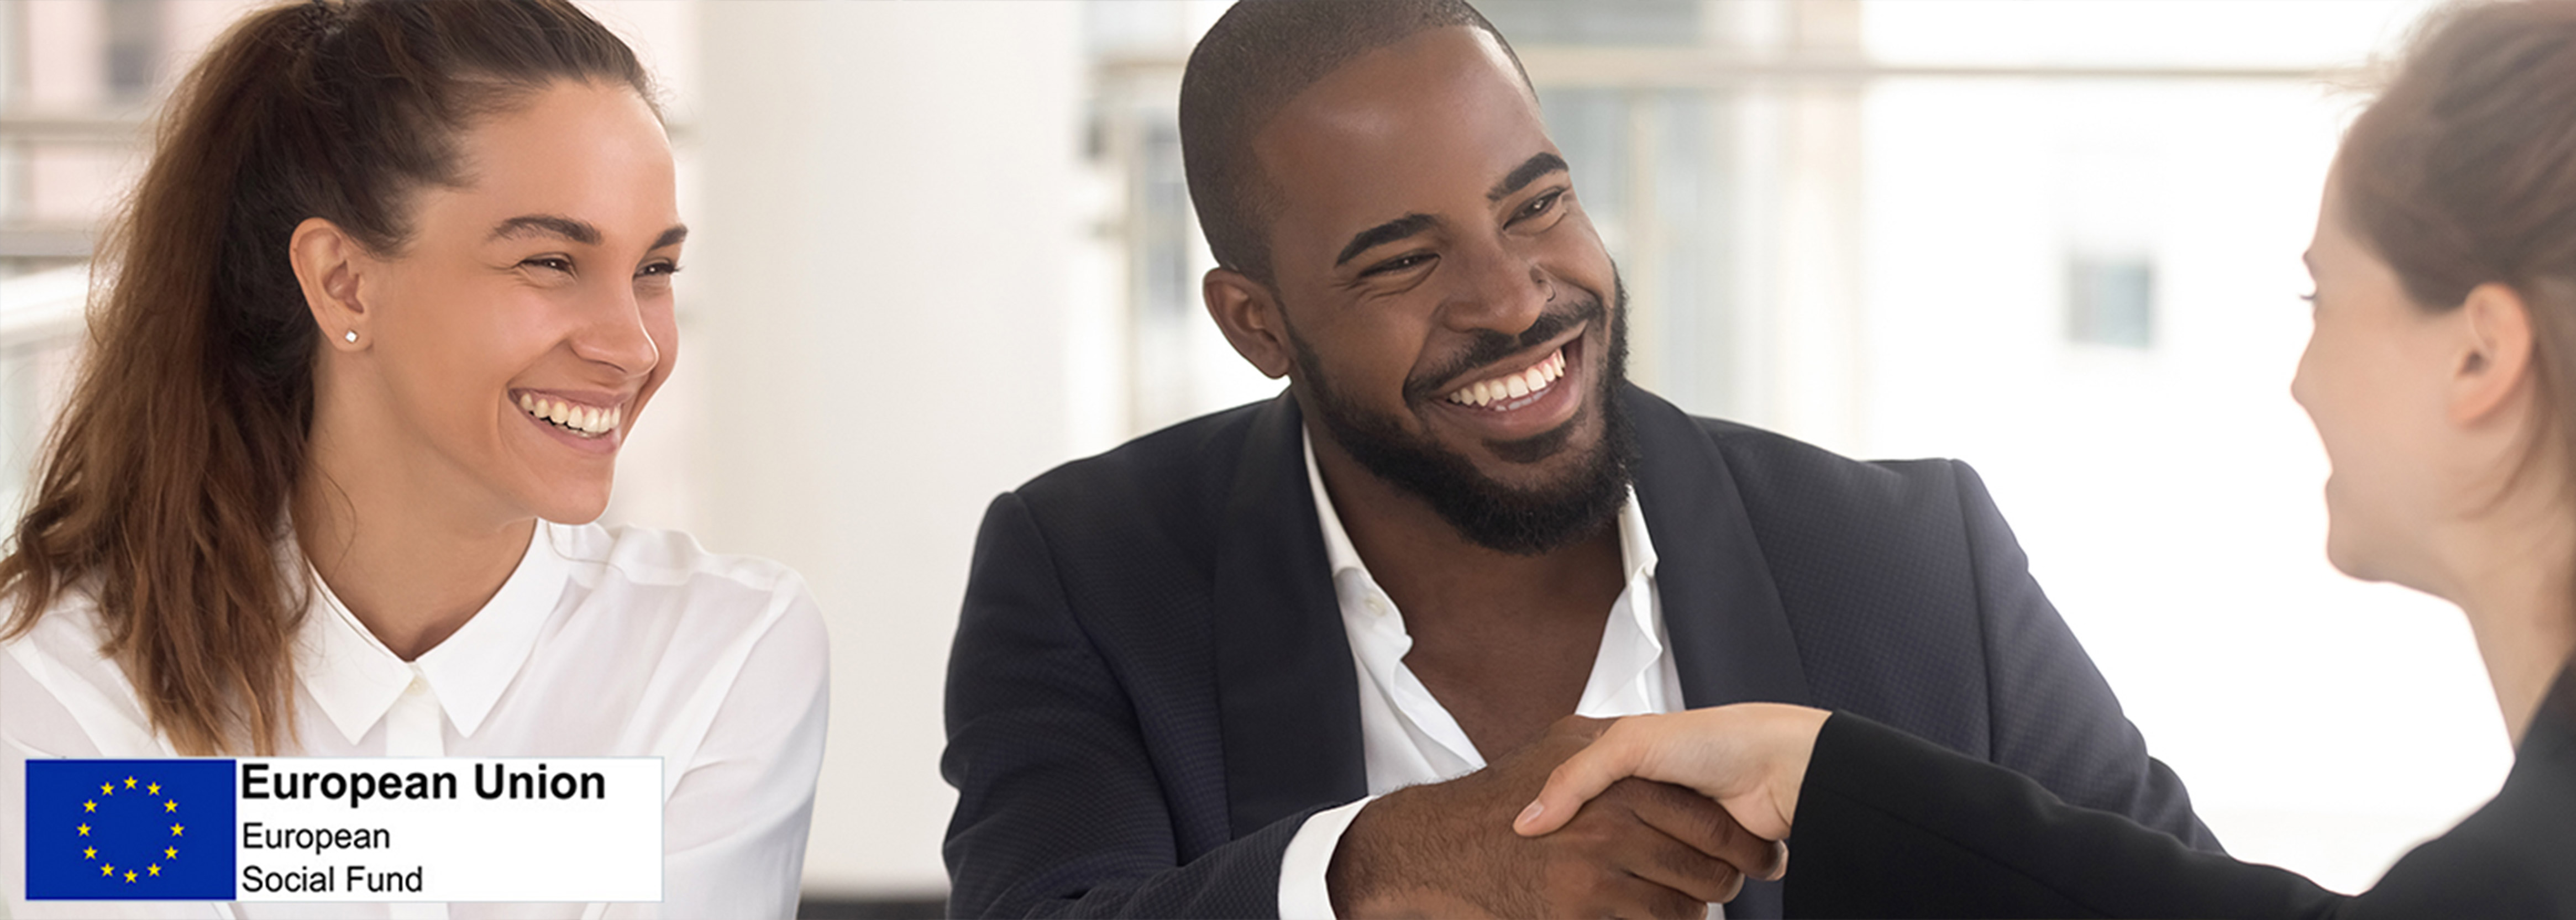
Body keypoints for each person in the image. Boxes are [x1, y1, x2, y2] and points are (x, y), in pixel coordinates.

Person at [939, 2, 2212, 917]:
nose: (1511, 297)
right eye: (1401, 259)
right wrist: (1384, 864)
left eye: (1535, 202)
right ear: (1255, 322)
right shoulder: (1087, 571)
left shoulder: (1908, 556)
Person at [1515, 1, 2576, 917]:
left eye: (2319, 297)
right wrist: (1827, 773)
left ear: (2482, 356)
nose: (2300, 376)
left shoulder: (2541, 879)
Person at [0, 1, 829, 916]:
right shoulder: (52, 669)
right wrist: (586, 832)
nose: (632, 346)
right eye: (551, 262)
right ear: (343, 281)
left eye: (655, 270)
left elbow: (111, 845)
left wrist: (218, 836)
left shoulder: (722, 653)